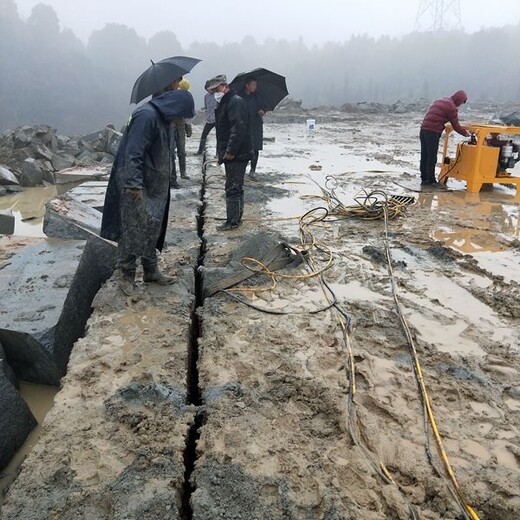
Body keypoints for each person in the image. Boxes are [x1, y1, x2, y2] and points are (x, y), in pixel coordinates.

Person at [100, 78, 195, 294]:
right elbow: (133, 153)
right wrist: (133, 186)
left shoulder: (166, 119)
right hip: (138, 184)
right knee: (132, 228)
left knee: (152, 226)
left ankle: (151, 270)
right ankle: (125, 274)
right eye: (180, 115)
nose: (181, 120)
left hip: (156, 185)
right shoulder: (146, 116)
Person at [210, 75, 253, 230]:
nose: (215, 92)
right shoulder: (227, 102)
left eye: (217, 89)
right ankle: (236, 218)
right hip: (235, 152)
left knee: (232, 187)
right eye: (212, 91)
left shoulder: (234, 102)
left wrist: (230, 151)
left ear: (225, 86)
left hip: (237, 153)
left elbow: (238, 129)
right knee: (236, 186)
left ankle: (232, 222)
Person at [420, 90, 470, 186]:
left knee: (425, 155)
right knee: (432, 157)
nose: (459, 105)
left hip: (423, 130)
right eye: (461, 103)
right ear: (459, 100)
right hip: (432, 132)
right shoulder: (452, 108)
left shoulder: (442, 100)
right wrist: (466, 134)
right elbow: (456, 126)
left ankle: (424, 178)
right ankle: (431, 181)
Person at [239, 76, 267, 175]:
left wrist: (262, 111)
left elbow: (264, 106)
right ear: (247, 85)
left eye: (256, 84)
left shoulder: (258, 95)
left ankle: (253, 170)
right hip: (244, 125)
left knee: (255, 147)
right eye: (253, 84)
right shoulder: (240, 96)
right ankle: (242, 168)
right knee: (244, 147)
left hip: (256, 125)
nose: (255, 86)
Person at [196, 77, 221, 155]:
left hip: (217, 119)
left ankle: (218, 153)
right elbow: (206, 106)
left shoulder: (218, 95)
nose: (208, 90)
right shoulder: (206, 96)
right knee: (204, 134)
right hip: (209, 119)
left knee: (219, 137)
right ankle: (200, 150)